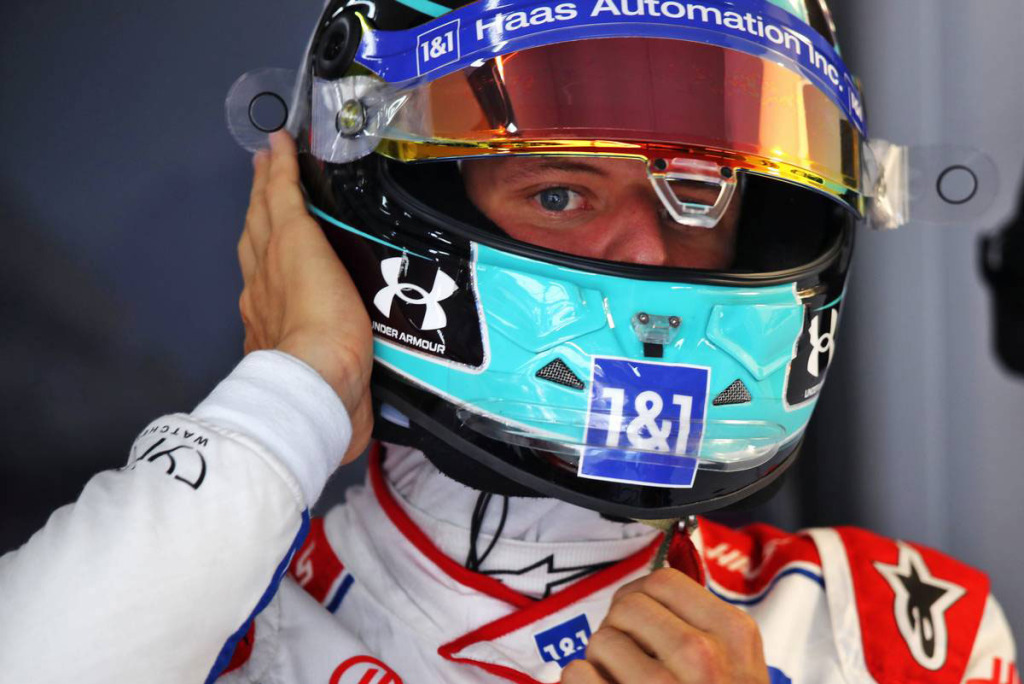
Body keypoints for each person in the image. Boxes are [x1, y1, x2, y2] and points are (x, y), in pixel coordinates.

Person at [0, 0, 1017, 682]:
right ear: (399, 205)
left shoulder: (895, 635)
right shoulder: (215, 627)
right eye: (562, 193)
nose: (650, 257)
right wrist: (292, 388)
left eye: (699, 194)